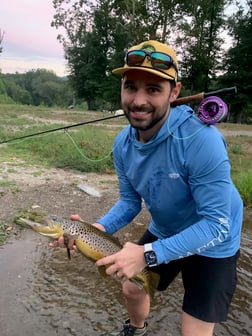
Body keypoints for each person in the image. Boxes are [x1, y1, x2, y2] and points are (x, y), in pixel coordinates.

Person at [52, 40, 243, 336]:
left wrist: (147, 254)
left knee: (192, 332)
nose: (138, 100)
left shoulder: (202, 140)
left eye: (153, 90)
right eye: (131, 87)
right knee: (132, 287)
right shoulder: (122, 145)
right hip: (168, 228)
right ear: (122, 89)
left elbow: (217, 226)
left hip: (215, 241)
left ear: (174, 92)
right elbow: (130, 203)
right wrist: (95, 229)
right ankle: (136, 329)